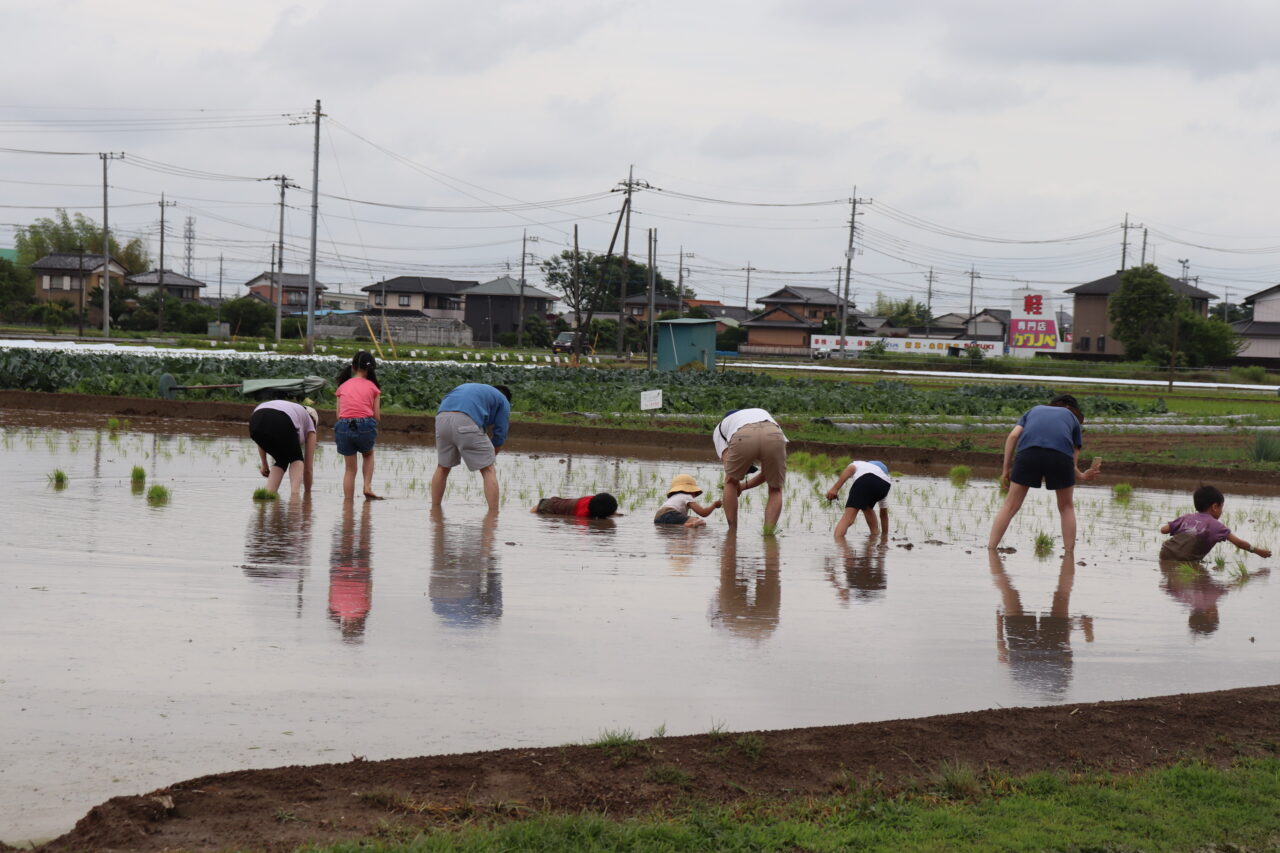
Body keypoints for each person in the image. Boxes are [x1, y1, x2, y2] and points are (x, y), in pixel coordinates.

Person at [987, 393, 1101, 551]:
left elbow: (1013, 435)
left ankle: (991, 549)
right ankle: (1069, 555)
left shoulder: (1034, 410)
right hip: (1060, 457)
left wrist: (1005, 470)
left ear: (1053, 404)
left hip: (1028, 454)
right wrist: (1083, 475)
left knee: (1010, 505)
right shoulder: (1073, 420)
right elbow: (1071, 462)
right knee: (1066, 507)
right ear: (1073, 409)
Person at [431, 383, 512, 512]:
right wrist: (490, 458)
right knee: (488, 470)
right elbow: (500, 433)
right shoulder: (503, 401)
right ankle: (494, 514)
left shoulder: (475, 390)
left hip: (441, 419)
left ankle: (434, 509)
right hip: (466, 419)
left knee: (442, 467)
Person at [712, 408, 787, 531]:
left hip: (743, 435)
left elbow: (730, 472)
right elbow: (766, 474)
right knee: (775, 489)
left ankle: (732, 531)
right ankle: (768, 533)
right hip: (773, 433)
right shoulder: (760, 413)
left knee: (730, 482)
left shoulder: (720, 428)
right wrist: (743, 486)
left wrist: (738, 485)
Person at [1159, 484, 1270, 562]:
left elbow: (1163, 530)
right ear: (1215, 507)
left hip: (1165, 553)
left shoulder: (1186, 517)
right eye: (1221, 507)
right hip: (1185, 559)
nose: (1222, 511)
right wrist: (1259, 551)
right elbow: (1239, 543)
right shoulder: (1217, 526)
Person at [334, 351, 383, 500]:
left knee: (349, 469)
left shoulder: (342, 386)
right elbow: (377, 416)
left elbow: (338, 415)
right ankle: (367, 486)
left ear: (353, 367)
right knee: (368, 454)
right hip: (364, 424)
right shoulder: (373, 388)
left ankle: (348, 503)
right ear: (371, 368)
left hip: (343, 426)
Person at [248, 399, 317, 497]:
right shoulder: (310, 424)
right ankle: (295, 497)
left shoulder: (294, 411)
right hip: (281, 418)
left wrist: (264, 464)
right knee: (296, 458)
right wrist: (307, 494)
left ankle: (268, 494)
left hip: (255, 420)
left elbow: (263, 439)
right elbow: (308, 468)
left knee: (281, 459)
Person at [825, 459, 891, 537]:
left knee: (848, 518)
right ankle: (875, 535)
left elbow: (850, 469)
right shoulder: (883, 476)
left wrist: (835, 488)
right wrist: (884, 537)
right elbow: (884, 515)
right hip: (885, 485)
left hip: (866, 479)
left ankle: (838, 542)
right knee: (867, 507)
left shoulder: (860, 464)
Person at [654, 474, 722, 528]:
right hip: (670, 514)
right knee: (700, 522)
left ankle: (686, 525)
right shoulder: (687, 496)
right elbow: (703, 513)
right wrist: (714, 505)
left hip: (657, 518)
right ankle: (688, 526)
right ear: (692, 490)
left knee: (678, 527)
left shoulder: (673, 498)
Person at [531, 492, 620, 519]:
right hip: (547, 506)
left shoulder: (592, 499)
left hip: (558, 502)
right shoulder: (582, 514)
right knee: (535, 510)